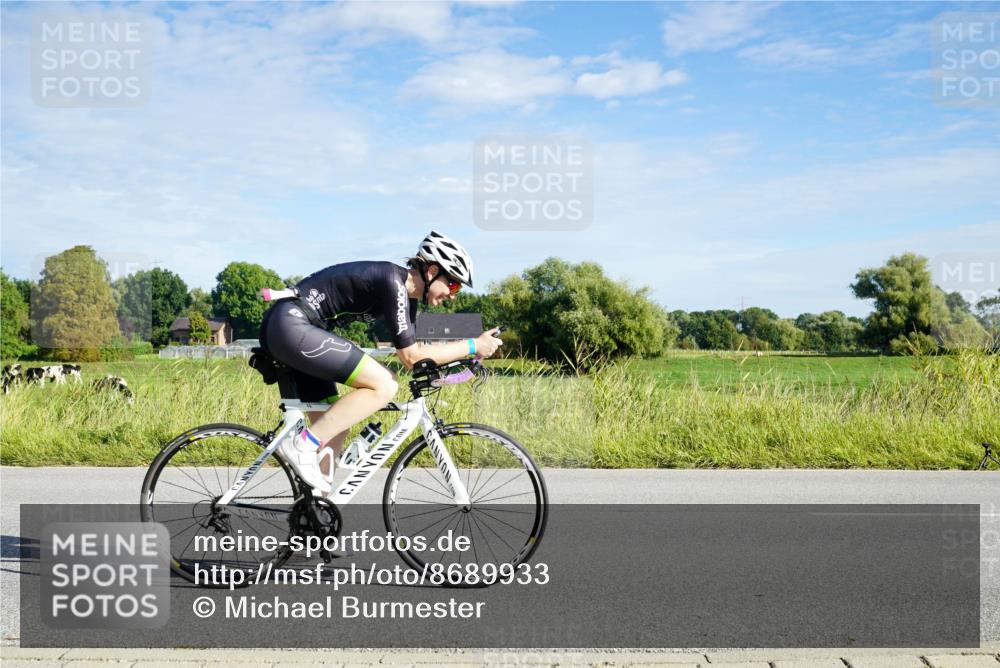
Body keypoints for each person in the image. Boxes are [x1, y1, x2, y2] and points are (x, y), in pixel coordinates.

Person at [258, 231, 502, 495]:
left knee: (335, 423)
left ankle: (314, 510)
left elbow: (417, 354)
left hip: (296, 329)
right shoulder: (393, 282)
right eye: (453, 285)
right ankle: (301, 445)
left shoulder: (406, 299)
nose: (453, 295)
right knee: (384, 385)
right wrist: (472, 345)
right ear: (432, 271)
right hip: (292, 324)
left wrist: (465, 355)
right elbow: (411, 357)